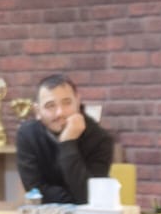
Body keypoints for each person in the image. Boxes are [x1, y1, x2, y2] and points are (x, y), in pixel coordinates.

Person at [14, 74, 116, 205]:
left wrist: (68, 143)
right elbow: (35, 191)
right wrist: (73, 198)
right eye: (50, 105)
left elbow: (89, 196)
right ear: (37, 111)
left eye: (67, 103)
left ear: (77, 102)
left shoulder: (100, 139)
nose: (60, 113)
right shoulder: (27, 136)